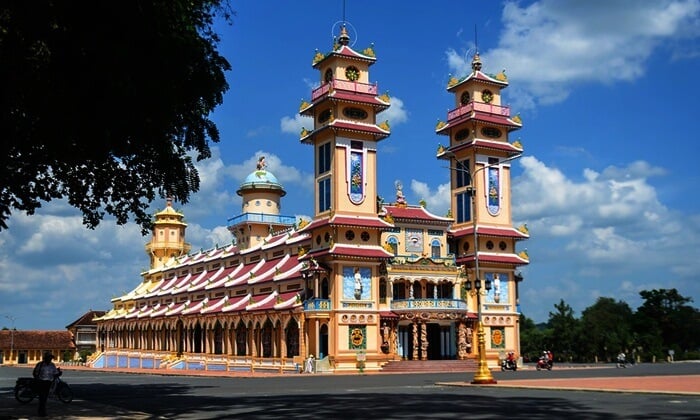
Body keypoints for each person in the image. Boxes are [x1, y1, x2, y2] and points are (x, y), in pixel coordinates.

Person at [33, 352, 61, 417]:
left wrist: (59, 373)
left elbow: (55, 373)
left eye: (51, 358)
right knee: (42, 398)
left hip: (48, 383)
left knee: (45, 398)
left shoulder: (52, 365)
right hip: (41, 382)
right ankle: (41, 411)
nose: (50, 359)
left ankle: (42, 411)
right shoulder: (40, 364)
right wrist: (37, 379)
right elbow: (35, 373)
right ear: (45, 358)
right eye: (49, 357)